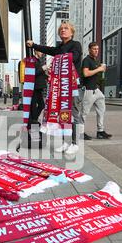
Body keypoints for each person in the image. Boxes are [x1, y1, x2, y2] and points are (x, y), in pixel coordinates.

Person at [27, 21, 83, 155]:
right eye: (61, 29)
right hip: (62, 87)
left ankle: (75, 143)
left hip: (73, 86)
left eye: (66, 28)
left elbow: (74, 57)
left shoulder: (76, 45)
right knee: (62, 114)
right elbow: (48, 49)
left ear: (72, 32)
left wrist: (58, 58)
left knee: (74, 115)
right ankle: (65, 142)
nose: (63, 30)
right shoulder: (59, 47)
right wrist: (34, 45)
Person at [80, 42, 112, 141]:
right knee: (84, 113)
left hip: (95, 89)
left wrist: (101, 69)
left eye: (97, 49)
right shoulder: (87, 60)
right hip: (88, 90)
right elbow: (85, 73)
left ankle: (100, 131)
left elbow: (97, 73)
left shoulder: (96, 60)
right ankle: (80, 132)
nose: (96, 51)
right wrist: (99, 69)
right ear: (89, 50)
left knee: (102, 108)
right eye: (94, 49)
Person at [28, 50, 48, 128]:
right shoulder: (32, 60)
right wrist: (42, 68)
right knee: (34, 106)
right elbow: (33, 72)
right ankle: (33, 121)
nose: (42, 53)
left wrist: (49, 76)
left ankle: (34, 120)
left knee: (41, 105)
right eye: (41, 52)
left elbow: (41, 74)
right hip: (34, 87)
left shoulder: (38, 61)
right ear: (36, 51)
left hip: (38, 87)